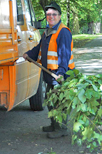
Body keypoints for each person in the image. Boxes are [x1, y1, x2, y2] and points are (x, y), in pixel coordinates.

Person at [23, 1, 75, 138]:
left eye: (54, 14)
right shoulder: (48, 31)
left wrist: (61, 73)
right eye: (48, 14)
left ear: (59, 16)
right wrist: (29, 54)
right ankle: (54, 124)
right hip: (50, 75)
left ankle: (61, 128)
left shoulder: (63, 32)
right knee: (50, 100)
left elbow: (65, 54)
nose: (51, 16)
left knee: (59, 102)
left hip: (60, 75)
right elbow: (39, 48)